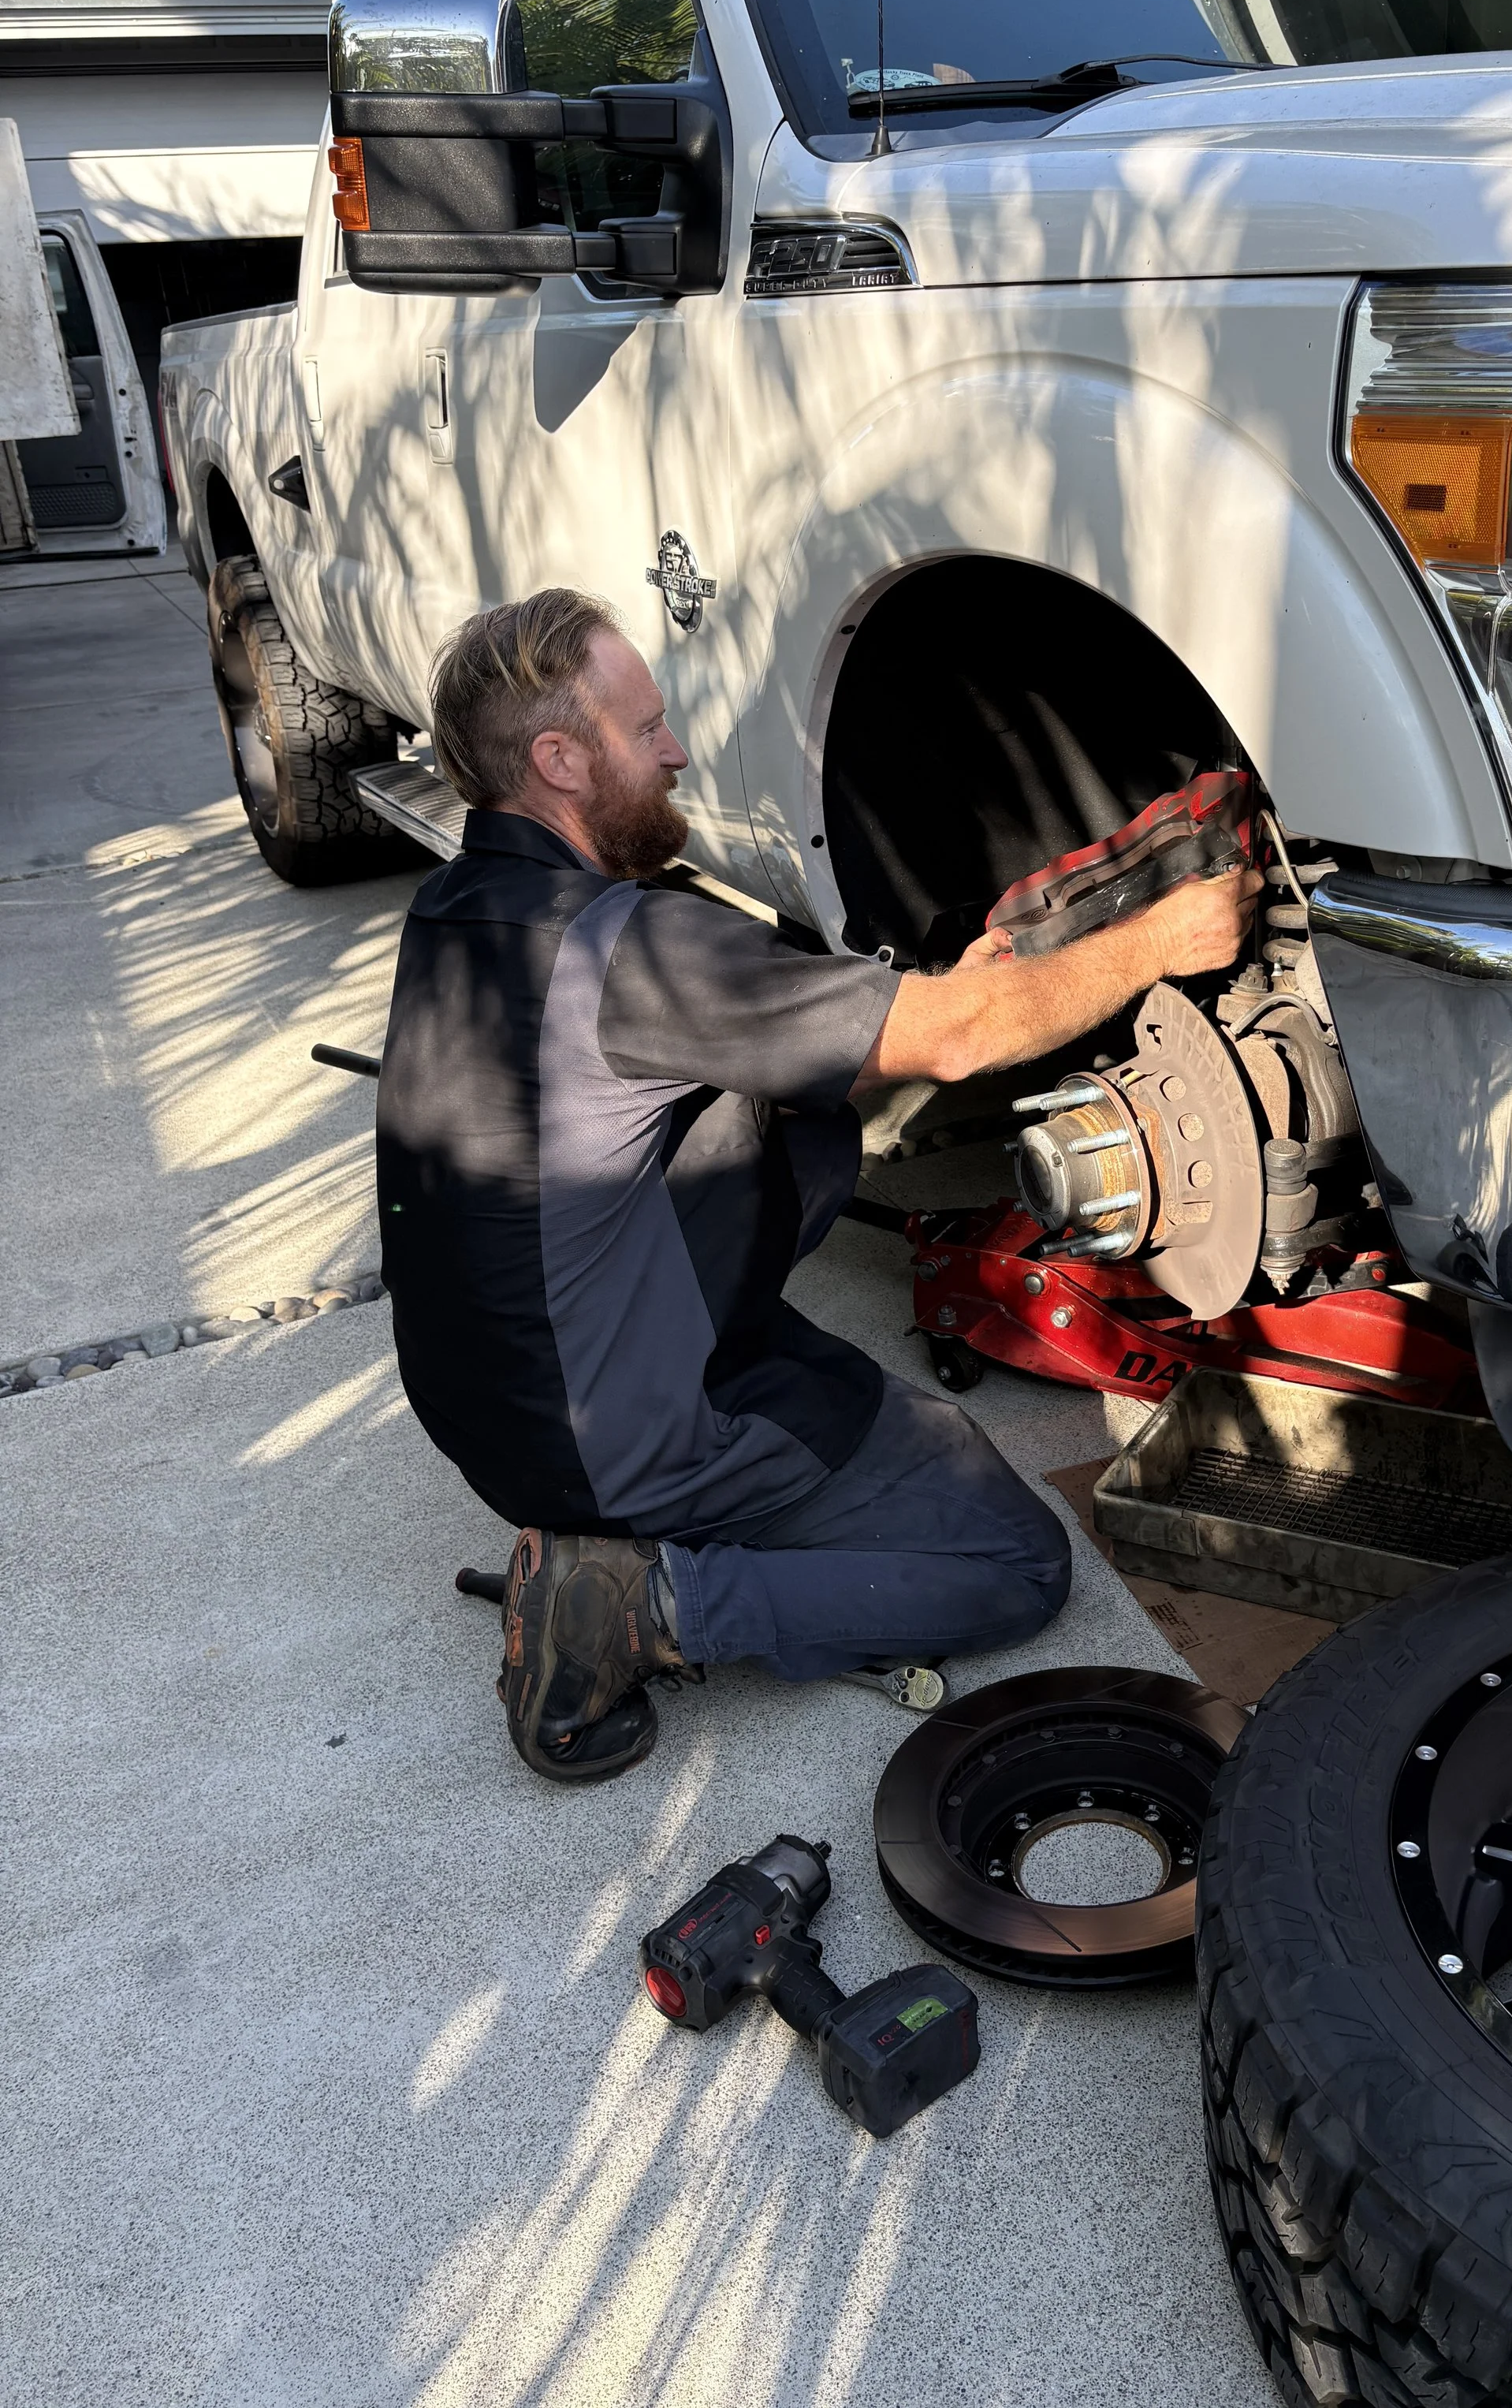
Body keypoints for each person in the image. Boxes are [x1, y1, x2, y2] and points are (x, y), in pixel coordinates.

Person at [377, 587, 1261, 1781]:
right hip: (621, 1436)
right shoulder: (629, 950)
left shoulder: (460, 910)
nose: (676, 750)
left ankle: (620, 1542)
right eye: (644, 733)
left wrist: (940, 991)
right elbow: (951, 1046)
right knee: (1010, 1562)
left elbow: (784, 1041)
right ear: (559, 761)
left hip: (494, 1407)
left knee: (917, 1426)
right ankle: (652, 1602)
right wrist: (1157, 942)